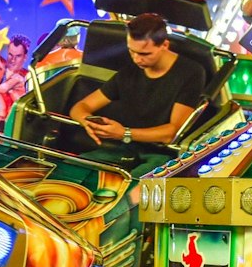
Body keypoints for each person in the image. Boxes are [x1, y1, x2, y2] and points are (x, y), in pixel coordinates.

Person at [68, 13, 207, 173]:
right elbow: (80, 106)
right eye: (131, 51)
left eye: (144, 54)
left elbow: (172, 132)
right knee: (67, 172)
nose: (136, 59)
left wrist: (124, 133)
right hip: (125, 149)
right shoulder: (129, 72)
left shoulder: (191, 72)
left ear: (165, 45)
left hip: (164, 154)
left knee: (129, 195)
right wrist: (88, 122)